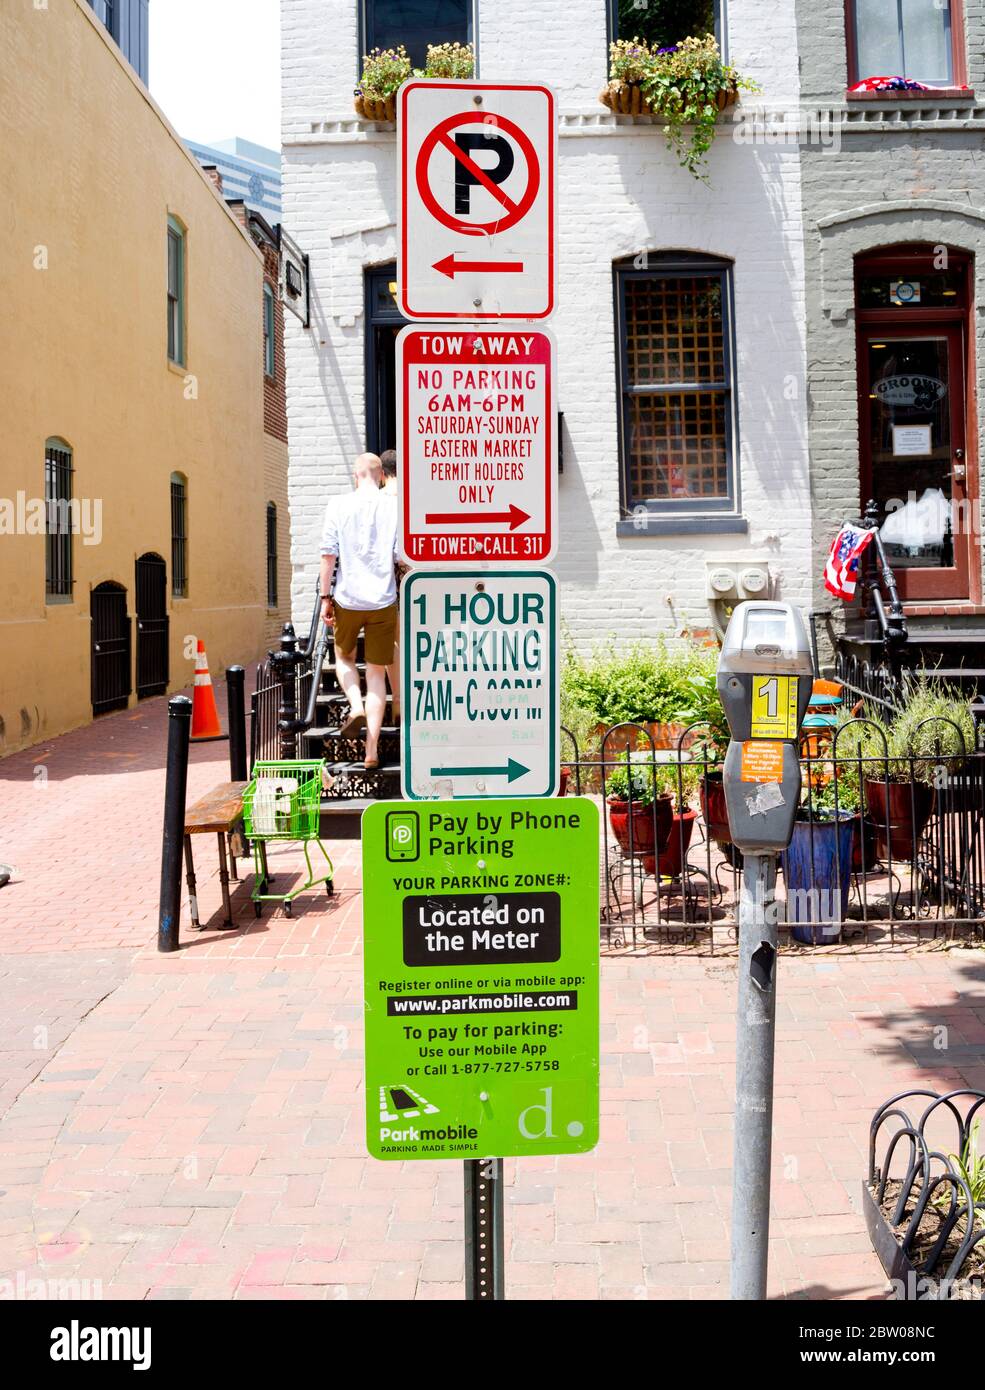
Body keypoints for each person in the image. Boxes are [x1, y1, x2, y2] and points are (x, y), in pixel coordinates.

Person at [319, 453, 400, 770]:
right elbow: (398, 554)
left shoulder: (338, 505)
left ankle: (355, 705)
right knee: (377, 674)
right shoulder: (394, 506)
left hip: (348, 599)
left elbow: (328, 555)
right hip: (382, 599)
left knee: (344, 658)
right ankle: (371, 751)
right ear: (381, 476)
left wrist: (326, 596)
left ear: (356, 476)